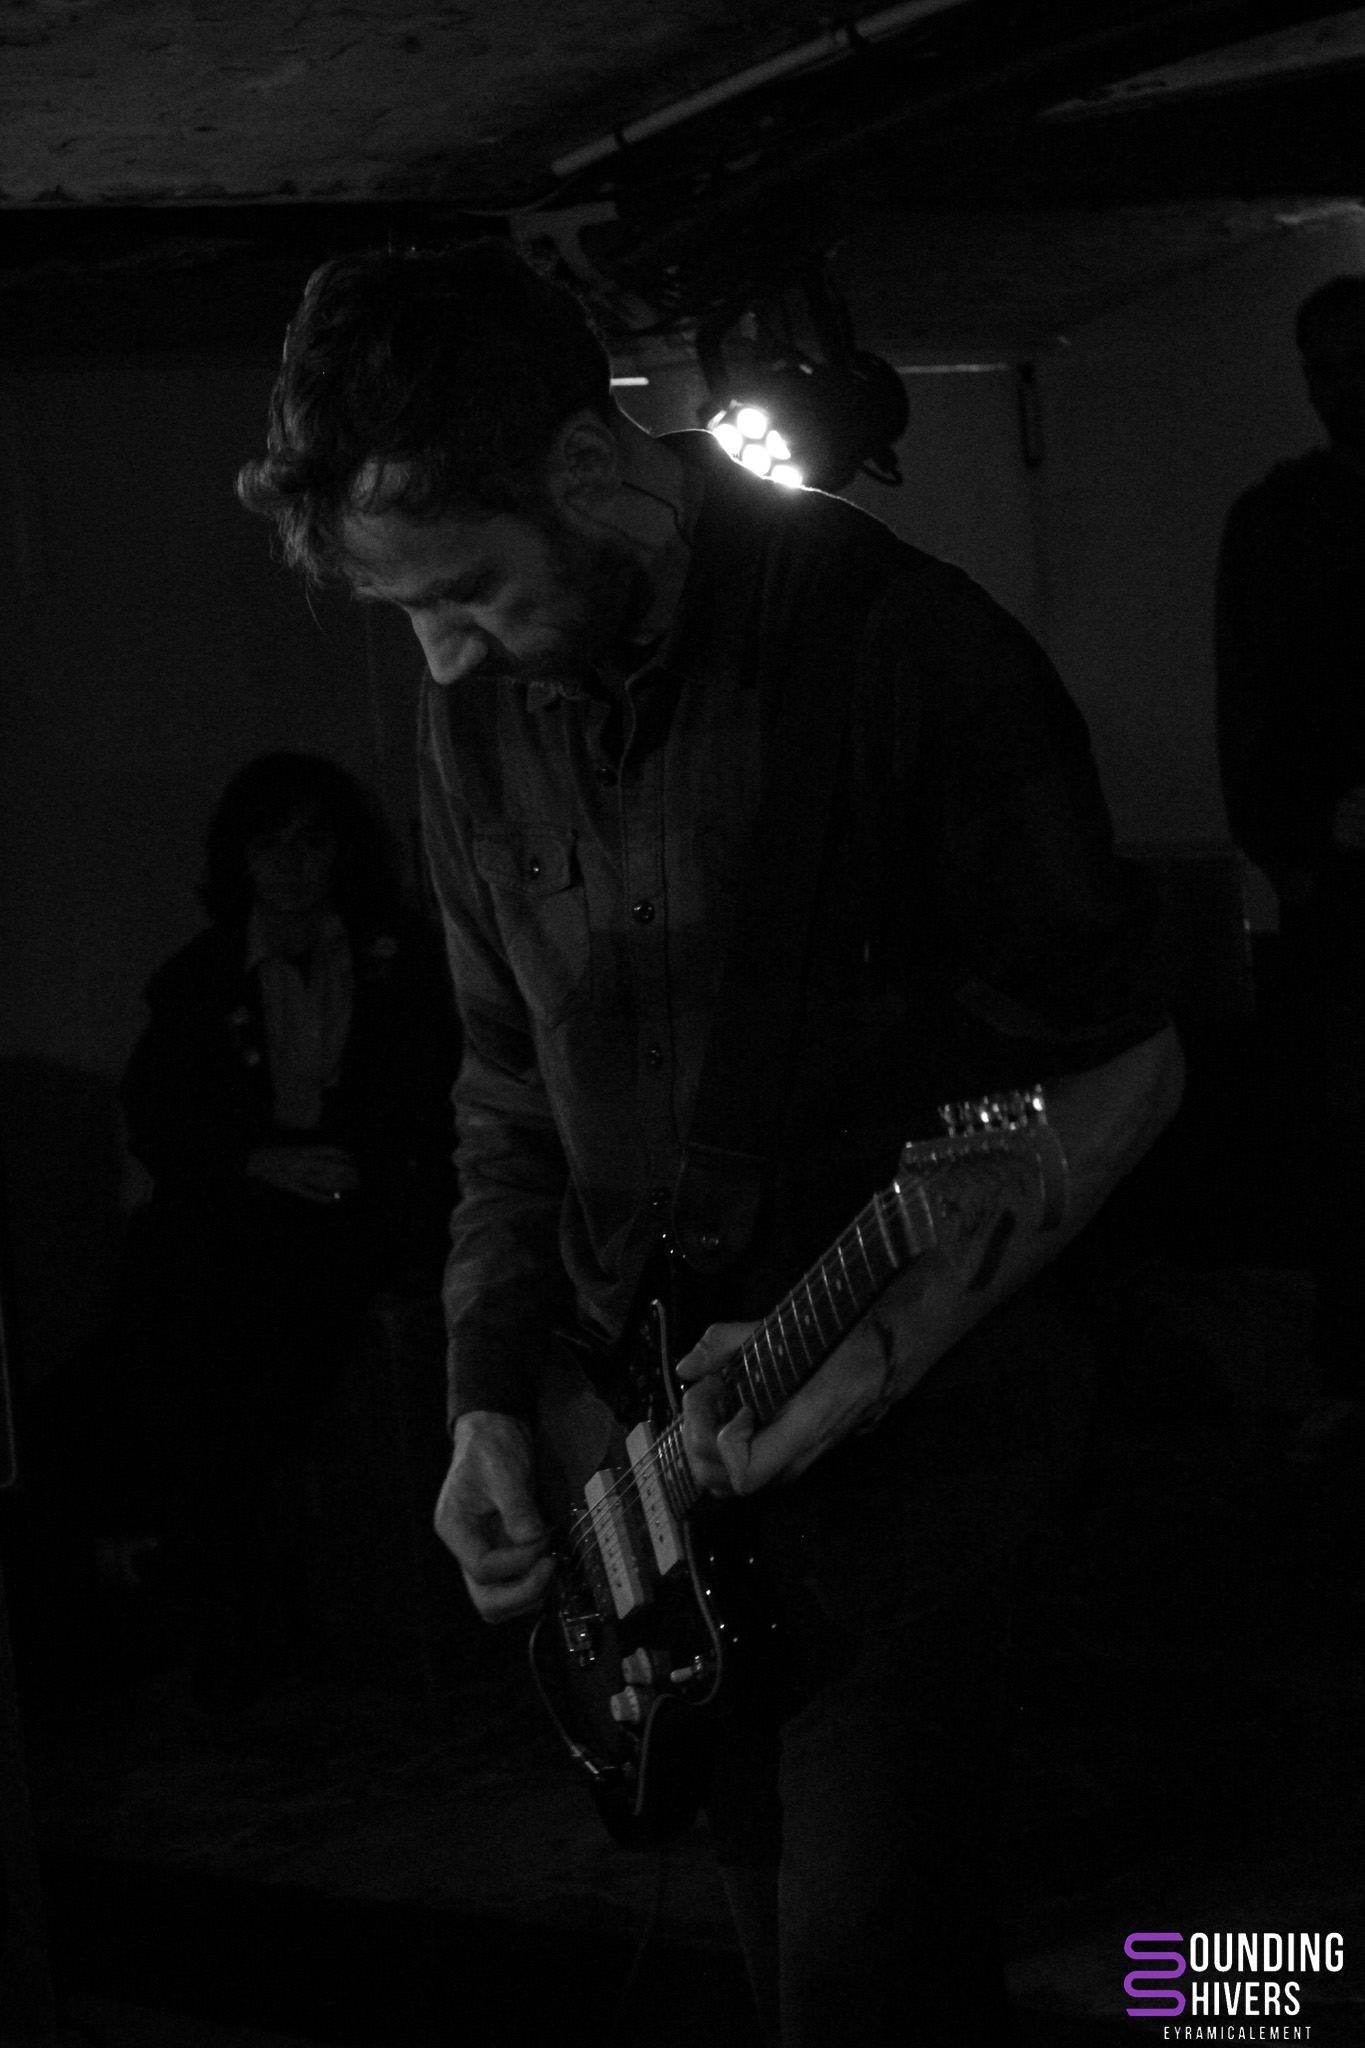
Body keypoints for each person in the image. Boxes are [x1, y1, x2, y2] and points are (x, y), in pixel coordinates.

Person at [237, 243, 1183, 2043]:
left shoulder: (899, 648)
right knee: (773, 1967)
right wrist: (488, 1400)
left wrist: (877, 1346)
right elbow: (503, 1090)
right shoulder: (472, 715)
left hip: (909, 1463)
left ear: (588, 470)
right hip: (659, 1461)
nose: (439, 656)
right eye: (406, 613)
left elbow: (1123, 1062)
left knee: (870, 1985)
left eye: (466, 592)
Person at [117, 751, 460, 1700]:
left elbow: (432, 1093)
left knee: (282, 1301)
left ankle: (255, 1585)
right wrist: (254, 1160)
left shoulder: (401, 957)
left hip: (366, 1201)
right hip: (247, 1201)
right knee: (176, 1279)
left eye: (312, 842)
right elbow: (158, 1114)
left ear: (343, 850)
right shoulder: (201, 976)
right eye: (269, 845)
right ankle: (218, 1588)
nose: (292, 867)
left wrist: (359, 1164)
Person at [1215, 274, 1365, 1457]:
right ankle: (1349, 1360)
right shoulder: (1280, 522)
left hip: (1330, 875)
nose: (1339, 391)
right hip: (1336, 883)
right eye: (1326, 369)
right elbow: (1249, 703)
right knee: (1342, 1133)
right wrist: (1293, 855)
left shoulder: (1283, 521)